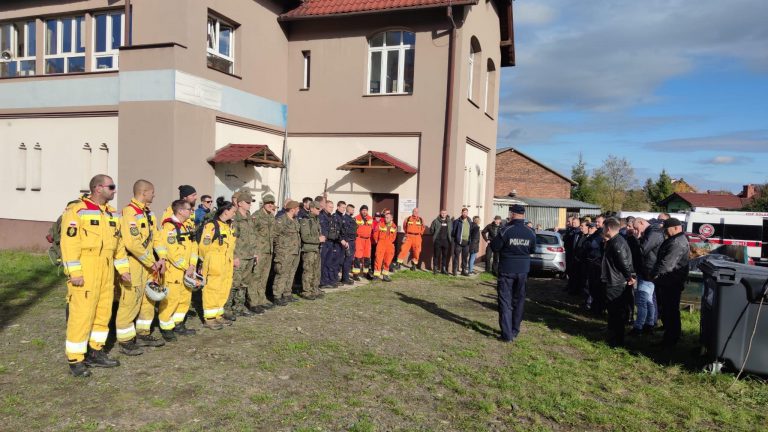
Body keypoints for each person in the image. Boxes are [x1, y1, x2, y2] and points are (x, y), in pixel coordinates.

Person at [60, 174, 130, 377]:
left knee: (103, 313)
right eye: (111, 187)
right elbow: (69, 244)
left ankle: (95, 351)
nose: (114, 190)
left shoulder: (112, 214)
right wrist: (75, 272)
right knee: (82, 315)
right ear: (98, 188)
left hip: (106, 271)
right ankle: (76, 359)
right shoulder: (77, 211)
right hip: (86, 270)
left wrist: (123, 270)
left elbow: (119, 246)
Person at [115, 180, 165, 356]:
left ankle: (143, 333)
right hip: (135, 264)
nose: (154, 195)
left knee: (147, 301)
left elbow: (157, 237)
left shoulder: (149, 214)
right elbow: (133, 244)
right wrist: (152, 262)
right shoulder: (130, 213)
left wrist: (162, 258)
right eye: (152, 192)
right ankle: (126, 340)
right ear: (143, 193)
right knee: (130, 301)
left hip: (149, 265)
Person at [490, 204, 536, 342]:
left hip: (507, 270)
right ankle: (515, 330)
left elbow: (495, 246)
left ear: (513, 214)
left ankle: (507, 334)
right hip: (523, 271)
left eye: (510, 213)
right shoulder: (530, 232)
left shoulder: (506, 230)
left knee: (505, 301)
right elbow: (532, 249)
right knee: (519, 301)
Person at [157, 199, 199, 339]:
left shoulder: (186, 226)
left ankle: (178, 324)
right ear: (180, 211)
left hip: (187, 270)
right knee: (171, 300)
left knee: (184, 299)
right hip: (173, 271)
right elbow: (172, 252)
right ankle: (166, 327)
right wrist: (186, 267)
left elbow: (194, 247)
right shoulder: (169, 227)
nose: (191, 211)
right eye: (188, 209)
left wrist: (192, 265)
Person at [198, 197, 238, 329]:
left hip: (226, 263)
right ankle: (209, 318)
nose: (234, 213)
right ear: (225, 211)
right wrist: (209, 262)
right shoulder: (211, 225)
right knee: (212, 289)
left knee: (224, 288)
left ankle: (218, 315)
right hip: (215, 263)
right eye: (233, 211)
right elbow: (204, 247)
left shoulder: (229, 225)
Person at [651, 217, 689, 347]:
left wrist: (655, 275)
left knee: (671, 310)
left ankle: (671, 339)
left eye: (666, 229)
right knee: (668, 310)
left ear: (676, 228)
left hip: (671, 281)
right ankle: (669, 335)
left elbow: (667, 264)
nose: (664, 232)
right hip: (667, 280)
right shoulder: (674, 239)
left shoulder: (677, 242)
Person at [601, 218, 636, 348]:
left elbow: (623, 263)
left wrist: (629, 277)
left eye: (603, 228)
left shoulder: (617, 243)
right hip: (612, 280)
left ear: (608, 229)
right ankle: (612, 333)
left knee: (616, 311)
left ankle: (617, 339)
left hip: (616, 282)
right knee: (612, 310)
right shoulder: (612, 241)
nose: (602, 231)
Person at [628, 217, 664, 335]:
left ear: (642, 223)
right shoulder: (652, 232)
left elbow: (642, 250)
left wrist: (637, 238)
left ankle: (639, 327)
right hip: (647, 269)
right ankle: (649, 324)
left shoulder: (653, 233)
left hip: (648, 270)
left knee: (642, 301)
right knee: (648, 300)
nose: (637, 231)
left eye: (637, 228)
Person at [229, 191, 261, 317]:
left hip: (249, 256)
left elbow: (253, 237)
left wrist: (255, 253)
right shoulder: (235, 217)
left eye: (250, 202)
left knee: (244, 284)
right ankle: (227, 308)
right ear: (240, 203)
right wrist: (234, 256)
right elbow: (231, 239)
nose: (250, 205)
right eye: (247, 203)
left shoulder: (249, 217)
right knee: (234, 284)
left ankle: (239, 307)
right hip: (239, 256)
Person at [272, 200, 302, 305]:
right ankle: (277, 295)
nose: (299, 210)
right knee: (282, 274)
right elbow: (274, 236)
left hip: (295, 251)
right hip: (284, 252)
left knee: (291, 273)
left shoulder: (295, 220)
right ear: (292, 209)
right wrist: (280, 249)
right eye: (298, 208)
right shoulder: (281, 220)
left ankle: (287, 293)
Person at [251, 193, 277, 310]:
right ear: (263, 204)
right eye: (268, 203)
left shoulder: (271, 216)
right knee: (255, 276)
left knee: (264, 276)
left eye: (272, 203)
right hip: (259, 250)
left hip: (269, 250)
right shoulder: (256, 216)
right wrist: (254, 251)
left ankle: (261, 298)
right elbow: (251, 234)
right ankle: (253, 301)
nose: (270, 205)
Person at [299, 201, 327, 300]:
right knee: (308, 271)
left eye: (320, 208)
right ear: (311, 208)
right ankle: (306, 291)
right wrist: (318, 239)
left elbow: (315, 233)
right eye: (317, 208)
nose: (319, 210)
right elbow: (305, 237)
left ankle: (314, 289)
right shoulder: (305, 220)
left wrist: (320, 237)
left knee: (316, 271)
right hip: (309, 250)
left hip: (316, 249)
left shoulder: (316, 220)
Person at [584, 219, 606, 315]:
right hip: (593, 262)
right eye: (596, 222)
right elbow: (587, 243)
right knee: (592, 286)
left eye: (598, 222)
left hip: (599, 263)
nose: (597, 223)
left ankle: (597, 308)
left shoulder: (602, 234)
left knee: (597, 288)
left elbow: (592, 245)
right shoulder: (597, 232)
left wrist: (590, 243)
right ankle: (594, 306)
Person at [319, 200, 340, 288]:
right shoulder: (321, 216)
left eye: (332, 207)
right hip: (324, 242)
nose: (331, 209)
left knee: (329, 262)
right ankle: (322, 282)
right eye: (329, 207)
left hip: (331, 242)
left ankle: (327, 280)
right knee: (322, 263)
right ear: (325, 206)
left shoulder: (331, 216)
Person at [373, 211, 398, 282]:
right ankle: (376, 275)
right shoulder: (380, 224)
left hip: (389, 244)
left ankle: (385, 275)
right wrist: (378, 242)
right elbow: (375, 234)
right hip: (381, 243)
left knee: (388, 260)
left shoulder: (394, 226)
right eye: (385, 217)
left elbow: (394, 236)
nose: (385, 219)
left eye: (387, 218)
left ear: (391, 219)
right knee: (378, 259)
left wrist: (389, 242)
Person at [353, 205, 374, 280]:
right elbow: (353, 229)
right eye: (363, 210)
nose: (364, 212)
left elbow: (372, 228)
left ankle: (365, 273)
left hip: (367, 240)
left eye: (366, 210)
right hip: (359, 239)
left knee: (367, 257)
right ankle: (355, 274)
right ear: (360, 211)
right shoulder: (356, 218)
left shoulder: (370, 218)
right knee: (358, 257)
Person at [451, 208, 474, 276]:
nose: (465, 214)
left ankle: (463, 270)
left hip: (466, 243)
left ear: (467, 213)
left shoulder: (470, 222)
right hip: (458, 243)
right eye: (464, 212)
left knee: (465, 257)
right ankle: (454, 270)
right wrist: (456, 240)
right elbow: (453, 232)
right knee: (456, 257)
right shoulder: (457, 221)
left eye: (466, 212)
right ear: (461, 213)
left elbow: (471, 232)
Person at [339, 202, 358, 284]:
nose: (353, 211)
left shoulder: (351, 218)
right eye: (352, 209)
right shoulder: (345, 219)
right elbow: (345, 231)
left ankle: (345, 277)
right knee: (347, 260)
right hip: (348, 241)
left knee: (349, 260)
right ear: (349, 209)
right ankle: (345, 278)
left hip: (352, 241)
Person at [430, 210, 453, 274]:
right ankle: (435, 269)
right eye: (442, 213)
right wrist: (435, 235)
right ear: (440, 213)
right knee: (436, 255)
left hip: (446, 241)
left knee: (445, 256)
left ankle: (443, 269)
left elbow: (451, 230)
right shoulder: (436, 221)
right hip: (437, 241)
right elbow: (431, 230)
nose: (443, 214)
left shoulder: (449, 221)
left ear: (446, 214)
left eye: (445, 213)